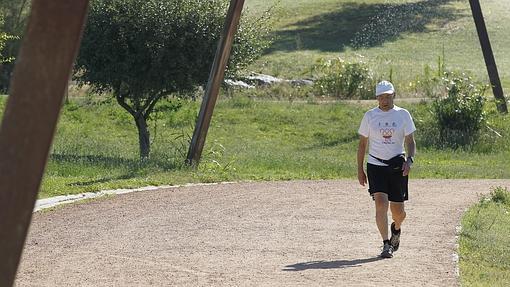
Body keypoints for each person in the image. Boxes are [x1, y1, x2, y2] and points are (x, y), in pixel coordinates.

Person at [357, 80, 416, 258]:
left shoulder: (403, 114)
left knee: (398, 212)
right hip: (376, 165)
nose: (385, 100)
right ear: (377, 98)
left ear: (393, 96)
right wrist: (360, 170)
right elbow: (362, 145)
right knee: (381, 204)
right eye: (381, 97)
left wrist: (410, 160)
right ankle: (385, 244)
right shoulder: (370, 116)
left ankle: (396, 228)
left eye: (388, 97)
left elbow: (410, 141)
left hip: (397, 166)